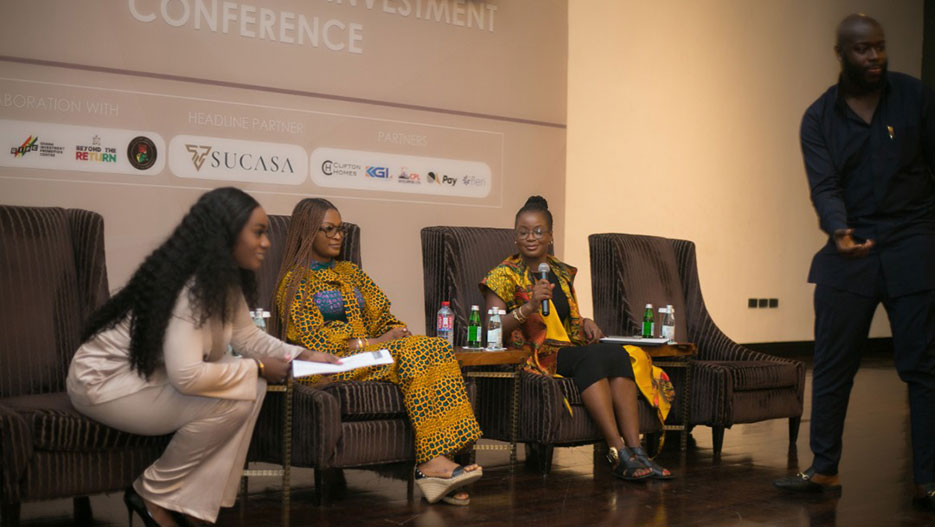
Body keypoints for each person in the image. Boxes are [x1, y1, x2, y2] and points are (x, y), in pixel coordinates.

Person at [67, 187, 339, 527]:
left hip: (152, 374)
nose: (267, 243)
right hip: (104, 383)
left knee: (249, 388)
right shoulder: (191, 290)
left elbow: (246, 335)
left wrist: (304, 354)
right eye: (257, 232)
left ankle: (191, 505)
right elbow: (188, 376)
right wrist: (256, 366)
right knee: (240, 394)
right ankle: (152, 492)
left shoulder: (220, 279)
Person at [773, 14, 935, 510]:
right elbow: (824, 185)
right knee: (833, 363)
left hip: (913, 240)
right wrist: (838, 231)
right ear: (841, 54)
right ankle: (824, 470)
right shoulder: (818, 118)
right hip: (851, 246)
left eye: (880, 48)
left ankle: (927, 480)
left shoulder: (915, 97)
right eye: (863, 50)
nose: (875, 58)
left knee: (923, 367)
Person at [272, 198, 483, 505]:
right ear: (307, 233)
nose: (337, 236)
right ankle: (433, 467)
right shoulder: (295, 283)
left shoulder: (352, 274)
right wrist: (377, 342)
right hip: (327, 365)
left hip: (370, 358)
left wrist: (394, 332)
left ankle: (439, 463)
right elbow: (317, 345)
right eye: (327, 229)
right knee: (417, 352)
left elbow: (384, 317)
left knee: (434, 346)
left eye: (340, 229)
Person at [480, 195, 675, 481]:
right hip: (535, 355)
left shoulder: (560, 272)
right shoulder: (503, 275)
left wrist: (586, 322)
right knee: (593, 357)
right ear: (515, 237)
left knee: (619, 353)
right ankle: (616, 450)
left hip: (568, 348)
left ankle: (637, 451)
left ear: (550, 235)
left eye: (538, 231)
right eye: (523, 232)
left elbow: (565, 318)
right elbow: (491, 328)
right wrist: (528, 307)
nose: (530, 238)